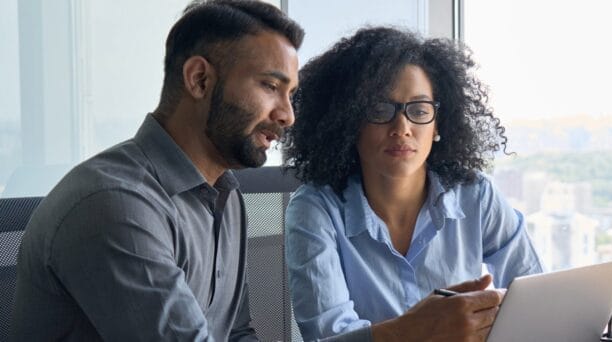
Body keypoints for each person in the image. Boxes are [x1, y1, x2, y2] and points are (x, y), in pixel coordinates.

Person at [10, 1, 304, 340]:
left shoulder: (226, 195)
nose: (287, 115)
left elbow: (236, 333)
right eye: (270, 86)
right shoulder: (115, 204)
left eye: (290, 94)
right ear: (200, 79)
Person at [283, 27, 544, 341]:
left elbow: (536, 297)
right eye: (381, 110)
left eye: (419, 110)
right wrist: (420, 330)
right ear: (349, 121)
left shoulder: (476, 195)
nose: (402, 128)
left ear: (437, 125)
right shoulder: (315, 209)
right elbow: (328, 336)